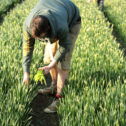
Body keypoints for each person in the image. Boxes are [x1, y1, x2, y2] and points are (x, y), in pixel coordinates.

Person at [22, 0, 81, 113]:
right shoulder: (27, 25)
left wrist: (54, 63)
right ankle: (53, 86)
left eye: (41, 38)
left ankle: (58, 98)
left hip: (72, 21)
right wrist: (26, 73)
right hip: (55, 12)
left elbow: (64, 46)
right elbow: (27, 48)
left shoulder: (61, 26)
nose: (39, 41)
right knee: (48, 59)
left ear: (48, 29)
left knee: (63, 63)